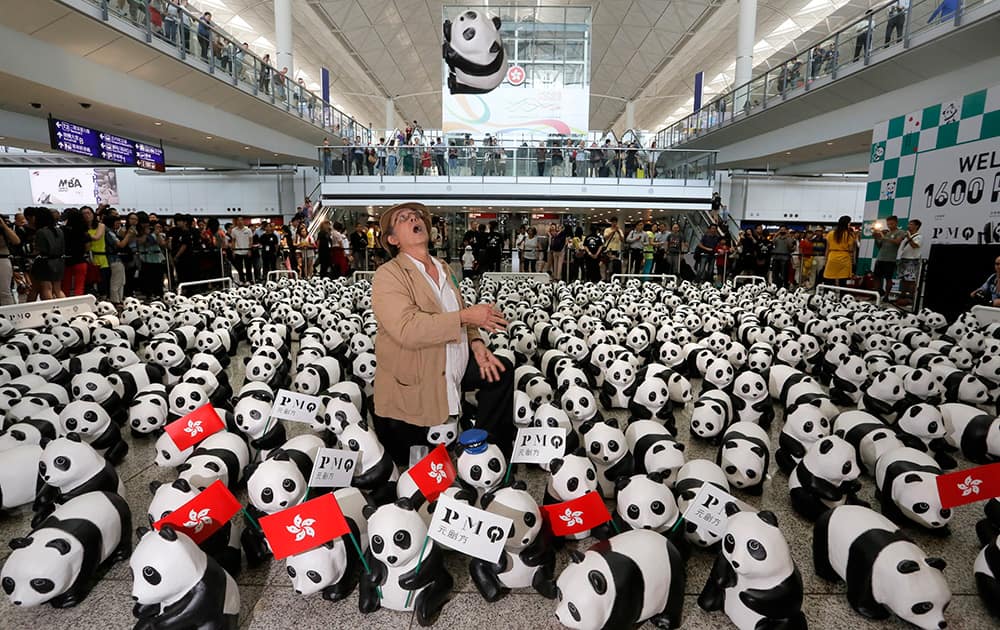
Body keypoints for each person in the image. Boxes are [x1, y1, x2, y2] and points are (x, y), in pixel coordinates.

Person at [371, 202, 513, 466]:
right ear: (393, 239)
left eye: (416, 216)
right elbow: (407, 329)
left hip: (455, 360)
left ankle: (490, 450)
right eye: (404, 218)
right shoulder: (388, 275)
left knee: (500, 372)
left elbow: (458, 311)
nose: (414, 218)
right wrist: (465, 317)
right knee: (421, 462)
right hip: (421, 369)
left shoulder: (444, 268)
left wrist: (477, 343)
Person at [31, 207, 66, 301]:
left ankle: (51, 310)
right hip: (59, 261)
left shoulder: (41, 232)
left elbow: (38, 249)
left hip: (45, 262)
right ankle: (64, 307)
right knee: (58, 290)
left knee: (46, 289)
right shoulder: (59, 230)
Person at [872, 215, 904, 299]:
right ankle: (878, 294)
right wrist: (876, 238)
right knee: (877, 277)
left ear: (896, 223)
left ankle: (886, 296)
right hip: (880, 258)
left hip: (890, 259)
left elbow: (897, 242)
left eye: (892, 224)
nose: (890, 225)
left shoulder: (900, 232)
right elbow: (879, 246)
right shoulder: (886, 232)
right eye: (888, 224)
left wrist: (884, 237)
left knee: (888, 278)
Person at [823, 215, 858, 286]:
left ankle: (827, 295)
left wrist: (825, 261)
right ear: (847, 224)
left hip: (832, 257)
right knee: (843, 281)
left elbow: (827, 249)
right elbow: (851, 249)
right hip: (844, 259)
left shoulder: (830, 234)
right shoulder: (849, 235)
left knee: (829, 279)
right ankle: (842, 296)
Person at [137, 218, 167, 298]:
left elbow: (163, 244)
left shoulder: (158, 235)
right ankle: (149, 294)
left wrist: (157, 234)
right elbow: (143, 243)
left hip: (157, 259)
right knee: (148, 279)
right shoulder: (141, 235)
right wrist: (146, 234)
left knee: (159, 279)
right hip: (146, 260)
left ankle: (159, 293)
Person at [897, 219, 923, 306]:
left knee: (911, 280)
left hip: (912, 260)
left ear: (916, 226)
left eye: (911, 224)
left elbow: (914, 245)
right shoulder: (906, 236)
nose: (908, 226)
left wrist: (908, 237)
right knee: (904, 279)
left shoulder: (919, 236)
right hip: (904, 259)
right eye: (909, 224)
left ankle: (911, 298)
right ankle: (902, 296)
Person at [0, 215, 21, 305]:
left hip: (3, 260)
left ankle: (9, 316)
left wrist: (4, 226)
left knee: (4, 292)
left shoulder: (4, 230)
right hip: (3, 260)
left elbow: (16, 241)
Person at [230, 217, 254, 283]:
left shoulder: (248, 230)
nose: (240, 222)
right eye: (238, 220)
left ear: (243, 221)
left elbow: (251, 240)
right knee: (239, 268)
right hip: (238, 251)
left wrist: (249, 250)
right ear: (236, 221)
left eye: (241, 220)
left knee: (248, 267)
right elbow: (233, 241)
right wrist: (233, 251)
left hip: (246, 251)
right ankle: (242, 280)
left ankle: (249, 280)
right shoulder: (234, 230)